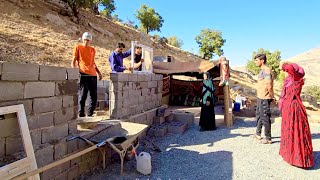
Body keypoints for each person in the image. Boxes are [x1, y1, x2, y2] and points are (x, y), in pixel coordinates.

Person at [279, 62, 314, 168]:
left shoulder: (291, 80)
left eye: (286, 71)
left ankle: (293, 156)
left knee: (292, 130)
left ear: (290, 71)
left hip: (291, 107)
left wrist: (281, 105)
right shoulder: (296, 80)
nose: (285, 73)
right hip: (294, 106)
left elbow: (283, 95)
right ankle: (295, 155)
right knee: (294, 130)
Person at [71, 32, 102, 117]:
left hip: (93, 75)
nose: (86, 41)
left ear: (90, 41)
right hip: (83, 74)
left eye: (88, 40)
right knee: (83, 95)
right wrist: (74, 71)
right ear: (82, 39)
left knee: (94, 96)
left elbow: (93, 62)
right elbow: (74, 60)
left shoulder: (92, 49)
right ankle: (81, 114)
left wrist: (98, 72)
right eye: (85, 40)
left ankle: (90, 113)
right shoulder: (78, 47)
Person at [252, 54, 275, 144]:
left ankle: (268, 138)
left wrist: (272, 96)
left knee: (265, 117)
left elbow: (269, 84)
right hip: (260, 97)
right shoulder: (262, 70)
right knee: (259, 115)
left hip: (265, 98)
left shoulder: (267, 70)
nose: (255, 62)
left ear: (262, 61)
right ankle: (258, 134)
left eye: (256, 60)